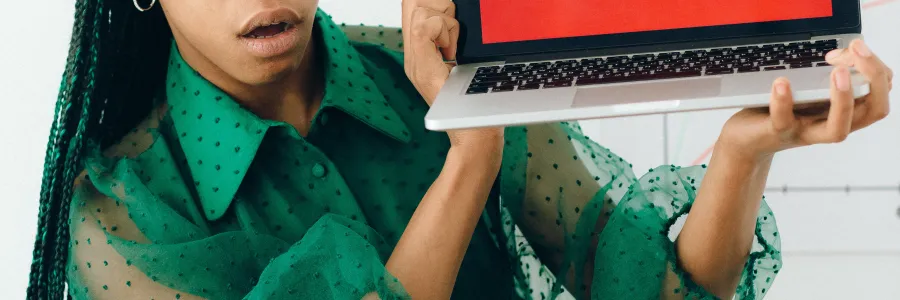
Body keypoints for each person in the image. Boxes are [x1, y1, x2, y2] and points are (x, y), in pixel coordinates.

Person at [26, 0, 893, 298]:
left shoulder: (428, 74)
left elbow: (651, 292)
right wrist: (469, 155)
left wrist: (744, 152)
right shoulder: (124, 218)